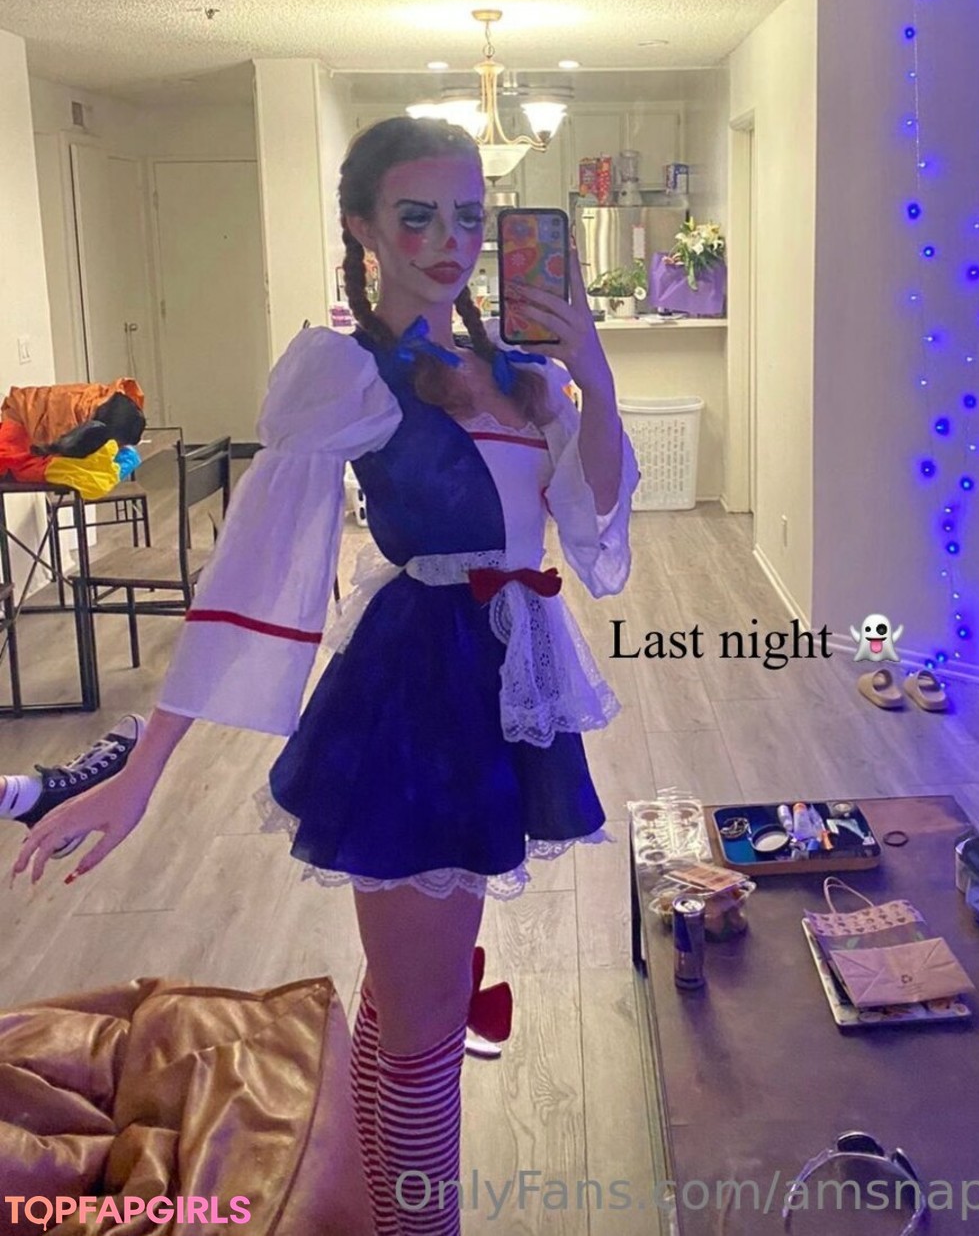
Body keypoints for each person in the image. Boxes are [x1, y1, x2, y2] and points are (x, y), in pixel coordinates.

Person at [10, 116, 639, 1235]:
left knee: (407, 1003)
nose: (448, 241)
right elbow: (256, 571)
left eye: (467, 217)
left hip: (510, 683)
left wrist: (591, 367)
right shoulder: (347, 374)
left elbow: (590, 522)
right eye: (417, 216)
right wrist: (144, 768)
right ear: (364, 228)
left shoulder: (526, 378)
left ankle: (374, 1201)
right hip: (417, 694)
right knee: (426, 1030)